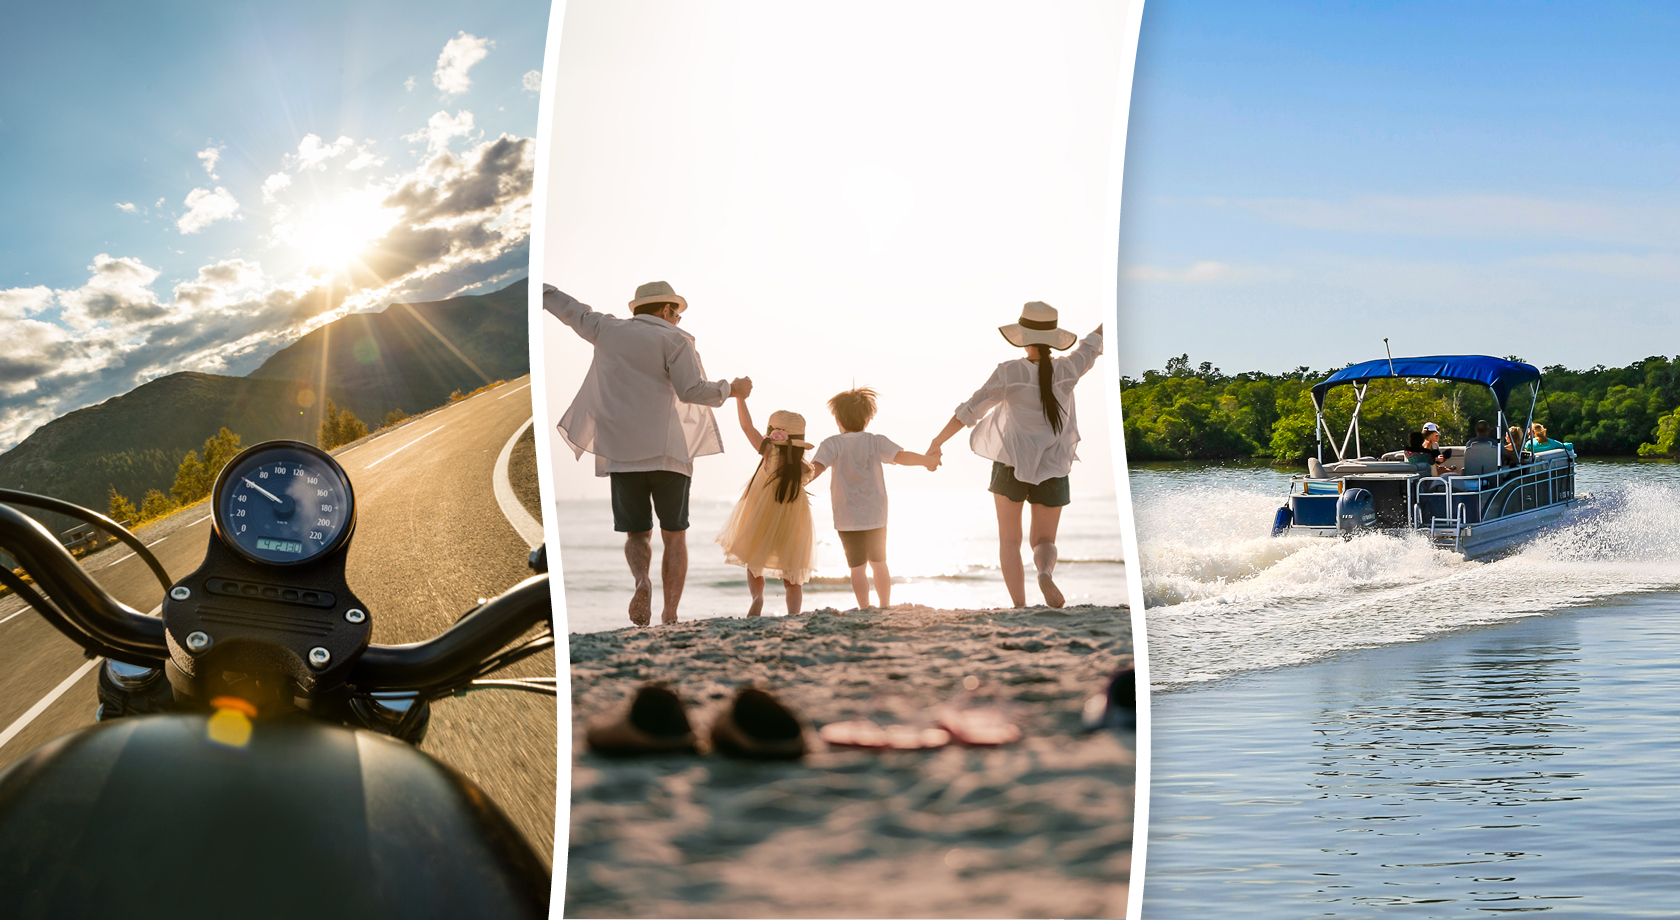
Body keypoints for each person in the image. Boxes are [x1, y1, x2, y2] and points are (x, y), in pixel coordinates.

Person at [545, 280, 751, 627]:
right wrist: (731, 388)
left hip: (621, 453)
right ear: (665, 310)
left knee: (637, 534)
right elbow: (691, 391)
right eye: (677, 313)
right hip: (669, 452)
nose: (679, 320)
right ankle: (670, 613)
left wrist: (542, 289)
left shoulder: (605, 328)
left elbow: (569, 310)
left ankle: (642, 582)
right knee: (674, 535)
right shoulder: (673, 340)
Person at [925, 302, 1103, 609]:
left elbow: (970, 410)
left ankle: (1020, 606)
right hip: (1055, 467)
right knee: (1044, 541)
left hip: (1010, 465)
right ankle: (1045, 572)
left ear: (1023, 336)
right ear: (1053, 337)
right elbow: (1092, 344)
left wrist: (937, 442)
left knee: (1009, 541)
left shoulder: (1010, 372)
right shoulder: (1069, 368)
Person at [808, 387, 939, 610]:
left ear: (837, 419)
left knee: (856, 567)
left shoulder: (831, 444)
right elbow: (902, 457)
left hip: (847, 516)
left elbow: (815, 469)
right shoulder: (875, 441)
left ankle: (864, 607)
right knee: (879, 563)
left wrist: (795, 481)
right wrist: (927, 460)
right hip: (876, 515)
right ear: (868, 420)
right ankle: (885, 605)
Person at [715, 402, 817, 617]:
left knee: (754, 562)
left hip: (763, 513)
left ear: (773, 434)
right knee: (792, 573)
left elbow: (747, 427)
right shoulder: (803, 467)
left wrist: (740, 400)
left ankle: (757, 597)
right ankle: (793, 614)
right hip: (792, 519)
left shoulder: (769, 452)